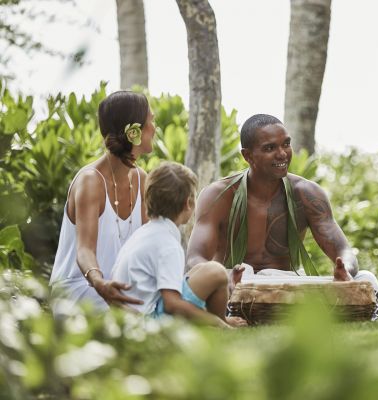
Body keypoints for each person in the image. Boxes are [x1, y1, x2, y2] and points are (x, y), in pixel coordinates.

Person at [186, 114, 378, 318]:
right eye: (270, 148)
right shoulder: (219, 195)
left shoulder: (307, 194)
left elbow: (343, 250)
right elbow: (194, 258)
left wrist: (346, 270)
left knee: (367, 278)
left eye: (286, 144)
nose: (282, 154)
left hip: (286, 285)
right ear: (248, 155)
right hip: (235, 286)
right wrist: (223, 275)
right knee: (215, 280)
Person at [49, 91, 154, 314]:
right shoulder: (91, 181)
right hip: (79, 289)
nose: (154, 128)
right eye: (150, 122)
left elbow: (144, 248)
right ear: (133, 132)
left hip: (119, 291)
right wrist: (100, 284)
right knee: (140, 321)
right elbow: (84, 250)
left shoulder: (142, 179)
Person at [111, 162, 247, 328]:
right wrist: (215, 322)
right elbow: (172, 303)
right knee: (216, 271)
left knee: (201, 270)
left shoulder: (146, 232)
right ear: (188, 204)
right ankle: (219, 324)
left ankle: (221, 319)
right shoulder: (167, 244)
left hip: (132, 315)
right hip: (147, 322)